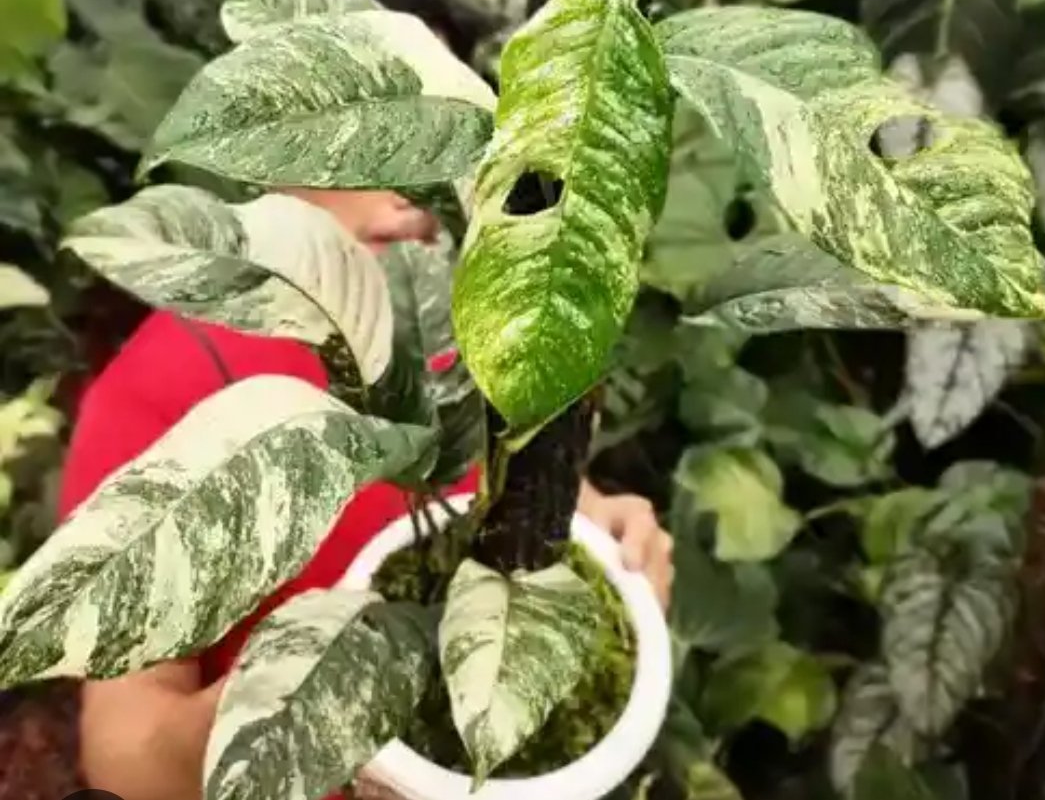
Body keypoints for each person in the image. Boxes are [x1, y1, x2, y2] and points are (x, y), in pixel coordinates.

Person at [58, 188, 675, 800]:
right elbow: (126, 752)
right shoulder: (168, 387)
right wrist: (279, 709)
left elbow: (529, 480)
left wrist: (599, 530)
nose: (414, 186)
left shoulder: (473, 316)